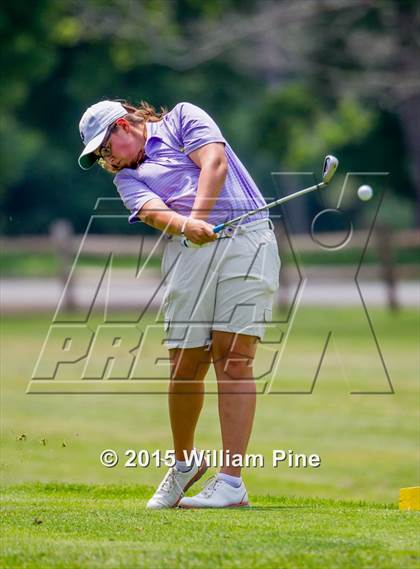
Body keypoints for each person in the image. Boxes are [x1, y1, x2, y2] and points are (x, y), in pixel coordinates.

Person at [78, 99, 280, 509]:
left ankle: (230, 483)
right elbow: (153, 213)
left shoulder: (184, 117)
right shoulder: (125, 179)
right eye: (99, 155)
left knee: (234, 359)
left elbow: (215, 164)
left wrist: (199, 217)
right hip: (188, 250)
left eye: (104, 147)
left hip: (248, 238)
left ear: (123, 126)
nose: (106, 159)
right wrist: (190, 227)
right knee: (185, 365)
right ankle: (185, 462)